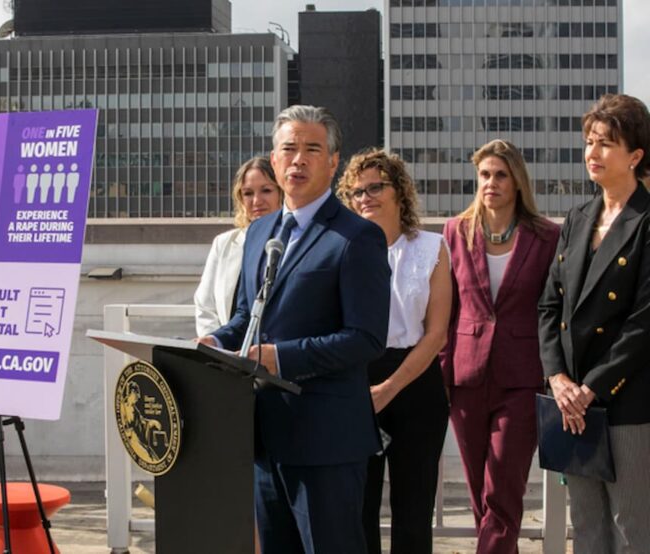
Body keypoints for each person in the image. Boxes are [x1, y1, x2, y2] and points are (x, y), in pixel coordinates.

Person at [198, 105, 390, 554]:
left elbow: (366, 339)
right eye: (289, 149)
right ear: (274, 156)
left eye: (311, 149)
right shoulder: (260, 231)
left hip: (326, 441)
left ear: (334, 161)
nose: (298, 160)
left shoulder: (356, 237)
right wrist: (216, 342)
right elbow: (248, 315)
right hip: (264, 438)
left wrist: (281, 357)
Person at [538, 93, 650, 552]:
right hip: (571, 403)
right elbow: (549, 307)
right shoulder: (578, 217)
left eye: (606, 143)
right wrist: (558, 378)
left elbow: (644, 321)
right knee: (585, 528)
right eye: (589, 142)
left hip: (625, 401)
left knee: (631, 529)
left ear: (636, 155)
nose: (592, 153)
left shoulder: (646, 220)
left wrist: (591, 388)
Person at [441, 139, 559, 554]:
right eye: (485, 175)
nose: (491, 183)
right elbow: (447, 306)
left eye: (500, 175)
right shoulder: (456, 231)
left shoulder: (547, 236)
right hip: (466, 374)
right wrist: (442, 369)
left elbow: (553, 306)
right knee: (480, 496)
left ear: (517, 181)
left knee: (502, 494)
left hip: (523, 376)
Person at [337, 148, 451, 553]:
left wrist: (389, 388)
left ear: (399, 192)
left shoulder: (433, 248)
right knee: (358, 508)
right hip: (354, 380)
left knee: (413, 512)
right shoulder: (342, 249)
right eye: (356, 191)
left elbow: (436, 335)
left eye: (376, 187)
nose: (365, 197)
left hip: (416, 381)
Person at [194, 157, 282, 336]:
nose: (256, 201)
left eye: (266, 190)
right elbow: (205, 306)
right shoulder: (223, 243)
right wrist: (217, 349)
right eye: (248, 193)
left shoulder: (293, 242)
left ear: (281, 193)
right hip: (224, 353)